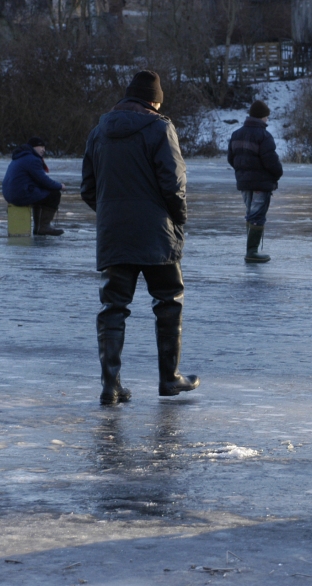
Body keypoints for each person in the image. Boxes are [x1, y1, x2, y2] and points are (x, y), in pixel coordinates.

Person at [80, 70, 199, 405]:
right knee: (169, 301)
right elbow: (174, 184)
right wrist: (178, 219)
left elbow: (88, 189)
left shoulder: (98, 132)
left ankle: (111, 385)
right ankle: (169, 379)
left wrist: (113, 215)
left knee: (113, 306)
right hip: (156, 232)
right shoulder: (160, 127)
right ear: (154, 100)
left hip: (114, 234)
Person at [227, 100, 283, 263]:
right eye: (266, 117)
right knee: (257, 215)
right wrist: (278, 173)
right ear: (262, 117)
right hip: (261, 183)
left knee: (250, 213)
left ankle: (251, 249)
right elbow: (271, 161)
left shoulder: (236, 134)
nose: (267, 120)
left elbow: (231, 158)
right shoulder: (264, 136)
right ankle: (251, 252)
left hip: (244, 182)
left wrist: (243, 171)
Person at [2, 136, 66, 236]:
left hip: (11, 194)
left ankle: (40, 227)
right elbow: (43, 180)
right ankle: (42, 227)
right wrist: (60, 186)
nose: (43, 150)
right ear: (33, 147)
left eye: (44, 147)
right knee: (54, 194)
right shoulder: (32, 159)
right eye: (41, 147)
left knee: (42, 193)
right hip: (20, 194)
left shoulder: (20, 156)